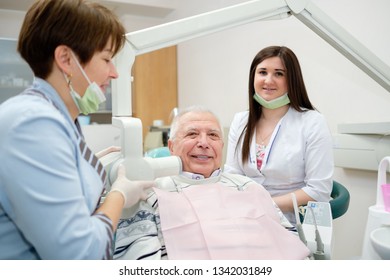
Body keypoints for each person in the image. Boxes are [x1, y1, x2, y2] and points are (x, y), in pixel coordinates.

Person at [0, 0, 153, 260]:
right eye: (106, 59)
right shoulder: (32, 123)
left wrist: (89, 165)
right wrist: (118, 196)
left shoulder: (58, 118)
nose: (114, 73)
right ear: (66, 59)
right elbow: (78, 254)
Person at [113, 106, 310, 260]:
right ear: (171, 146)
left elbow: (290, 246)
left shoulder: (249, 188)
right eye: (192, 134)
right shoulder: (151, 193)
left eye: (213, 135)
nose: (204, 143)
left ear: (221, 146)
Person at [224, 46, 334, 225]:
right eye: (262, 72)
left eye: (279, 74)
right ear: (253, 77)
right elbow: (232, 175)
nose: (268, 80)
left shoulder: (312, 122)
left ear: (292, 80)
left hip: (293, 220)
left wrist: (265, 205)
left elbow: (318, 190)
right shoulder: (241, 121)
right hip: (246, 216)